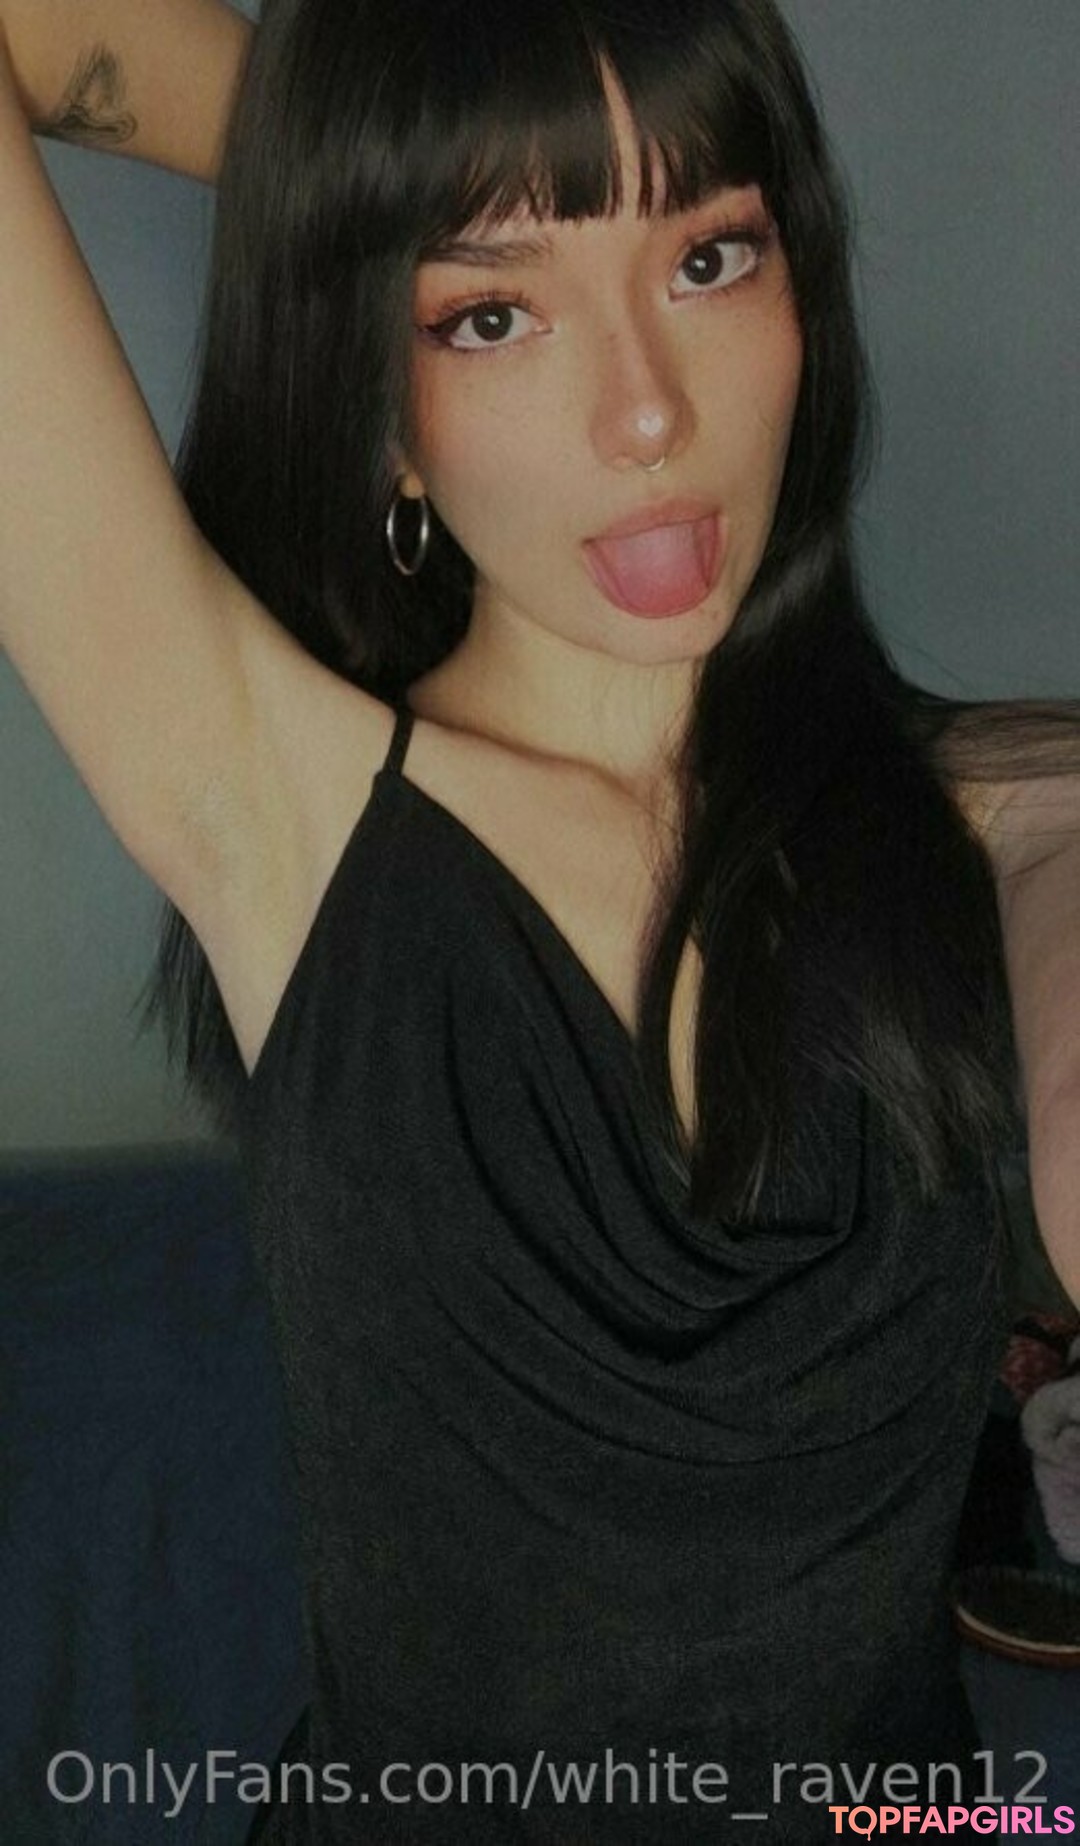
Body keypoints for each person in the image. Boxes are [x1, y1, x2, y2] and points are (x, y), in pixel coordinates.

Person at [1, 0, 1078, 1839]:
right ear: (379, 403)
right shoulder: (271, 801)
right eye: (489, 314)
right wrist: (380, 169)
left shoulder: (980, 802)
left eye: (710, 255)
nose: (647, 411)